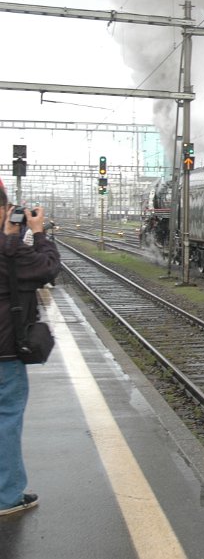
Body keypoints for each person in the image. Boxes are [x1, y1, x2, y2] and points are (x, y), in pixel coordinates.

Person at [0, 192, 60, 517]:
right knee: (6, 419)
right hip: (5, 354)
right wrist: (37, 232)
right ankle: (6, 497)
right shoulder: (10, 252)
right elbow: (49, 268)